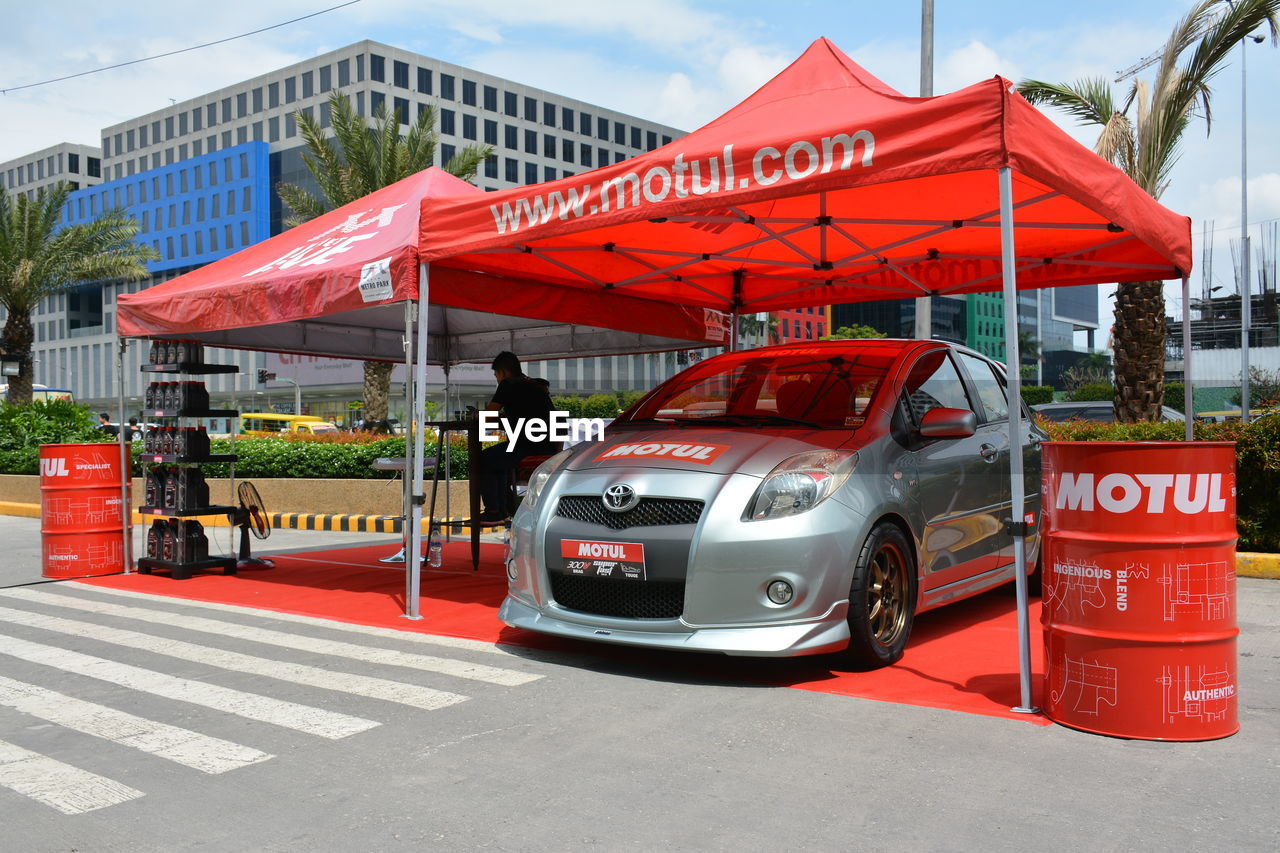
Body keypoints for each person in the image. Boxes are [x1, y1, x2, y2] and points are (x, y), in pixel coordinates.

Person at [476, 351, 558, 523]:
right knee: (500, 458)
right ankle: (508, 509)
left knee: (482, 458)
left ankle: (494, 511)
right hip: (549, 447)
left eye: (496, 375)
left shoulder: (508, 384)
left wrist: (477, 416)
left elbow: (489, 415)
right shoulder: (536, 385)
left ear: (502, 372)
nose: (497, 379)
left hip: (527, 446)